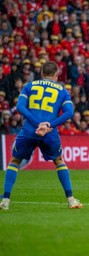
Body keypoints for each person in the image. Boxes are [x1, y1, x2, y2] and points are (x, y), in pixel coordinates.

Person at [0, 61, 83, 210]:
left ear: (41, 73)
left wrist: (36, 122)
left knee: (15, 160)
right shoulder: (62, 90)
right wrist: (48, 125)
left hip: (29, 131)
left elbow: (20, 106)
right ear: (56, 74)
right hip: (49, 133)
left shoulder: (30, 86)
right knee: (59, 160)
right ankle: (71, 199)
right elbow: (70, 112)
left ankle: (5, 200)